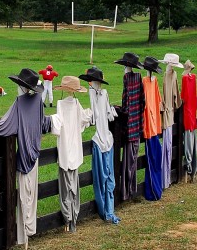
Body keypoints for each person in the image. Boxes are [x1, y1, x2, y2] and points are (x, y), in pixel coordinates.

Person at [0, 68, 51, 250]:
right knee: (31, 197)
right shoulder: (38, 102)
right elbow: (43, 124)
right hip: (35, 154)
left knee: (23, 198)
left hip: (24, 156)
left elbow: (4, 124)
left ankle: (23, 236)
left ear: (22, 87)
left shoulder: (19, 103)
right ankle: (28, 233)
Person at [49, 76, 92, 233]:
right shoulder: (76, 104)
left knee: (65, 185)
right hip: (75, 148)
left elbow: (57, 124)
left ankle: (68, 218)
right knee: (74, 183)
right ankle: (72, 217)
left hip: (65, 148)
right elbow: (83, 120)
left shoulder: (61, 104)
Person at [79, 66, 120, 224]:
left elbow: (96, 117)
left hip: (105, 138)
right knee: (104, 177)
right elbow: (96, 117)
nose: (90, 84)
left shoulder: (102, 94)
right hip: (103, 138)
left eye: (91, 81)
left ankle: (108, 210)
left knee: (106, 177)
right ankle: (106, 210)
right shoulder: (94, 93)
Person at [115, 52, 145, 201]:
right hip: (138, 125)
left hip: (129, 127)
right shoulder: (139, 78)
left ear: (126, 66)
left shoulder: (126, 78)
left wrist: (118, 109)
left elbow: (126, 104)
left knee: (127, 162)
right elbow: (142, 101)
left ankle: (126, 192)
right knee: (134, 159)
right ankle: (133, 189)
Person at [159, 53, 183, 191]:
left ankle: (165, 179)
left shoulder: (170, 75)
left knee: (167, 147)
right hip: (169, 112)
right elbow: (177, 98)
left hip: (167, 113)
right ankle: (165, 179)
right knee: (167, 147)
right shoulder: (172, 75)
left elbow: (175, 96)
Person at [141, 56, 164, 201]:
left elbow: (156, 101)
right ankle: (152, 191)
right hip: (151, 126)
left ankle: (153, 191)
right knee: (154, 158)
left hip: (152, 125)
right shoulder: (148, 81)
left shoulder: (150, 82)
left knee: (154, 158)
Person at [181, 60, 197, 183]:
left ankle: (188, 168)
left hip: (187, 114)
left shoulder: (184, 79)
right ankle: (193, 171)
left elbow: (183, 97)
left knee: (188, 145)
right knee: (193, 145)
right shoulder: (194, 78)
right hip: (193, 113)